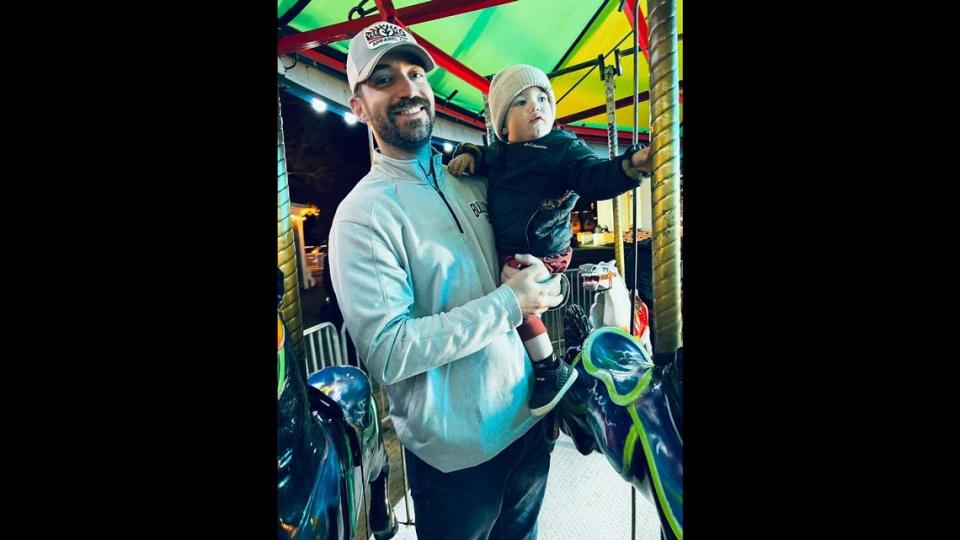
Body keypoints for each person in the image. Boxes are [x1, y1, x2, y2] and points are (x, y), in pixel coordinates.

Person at [328, 21, 564, 540]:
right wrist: (508, 303)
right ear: (358, 106)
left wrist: (546, 283)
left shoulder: (473, 175)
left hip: (526, 425)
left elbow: (534, 255)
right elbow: (390, 350)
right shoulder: (362, 217)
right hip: (456, 463)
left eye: (416, 73)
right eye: (384, 79)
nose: (408, 88)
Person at [447, 64, 652, 415]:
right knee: (506, 295)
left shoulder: (561, 147)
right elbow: (483, 152)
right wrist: (469, 155)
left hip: (543, 250)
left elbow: (593, 176)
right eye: (521, 101)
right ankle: (561, 390)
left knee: (512, 294)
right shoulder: (499, 154)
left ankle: (548, 368)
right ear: (502, 123)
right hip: (516, 248)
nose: (535, 106)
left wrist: (630, 165)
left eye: (542, 98)